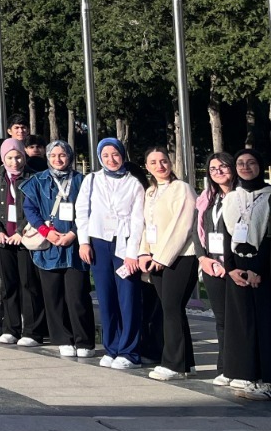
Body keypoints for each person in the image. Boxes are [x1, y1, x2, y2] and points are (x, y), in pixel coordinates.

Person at [75, 138, 146, 370]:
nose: (111, 159)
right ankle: (111, 347)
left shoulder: (134, 183)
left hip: (124, 243)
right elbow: (82, 211)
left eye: (115, 154)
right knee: (105, 298)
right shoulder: (91, 180)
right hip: (99, 242)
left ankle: (129, 351)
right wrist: (84, 242)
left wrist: (132, 253)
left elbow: (138, 221)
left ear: (122, 155)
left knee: (128, 298)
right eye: (105, 155)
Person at [21, 140, 96, 359]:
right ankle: (63, 338)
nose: (58, 159)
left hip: (75, 244)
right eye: (53, 155)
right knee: (53, 296)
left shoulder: (82, 180)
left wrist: (74, 233)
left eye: (62, 155)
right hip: (49, 245)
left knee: (77, 295)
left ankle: (84, 340)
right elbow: (30, 209)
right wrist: (46, 232)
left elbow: (91, 210)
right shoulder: (38, 180)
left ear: (70, 156)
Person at [137, 147, 199, 381]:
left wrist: (162, 257)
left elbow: (183, 226)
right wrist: (144, 253)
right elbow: (146, 226)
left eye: (163, 161)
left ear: (170, 162)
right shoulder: (151, 191)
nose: (159, 166)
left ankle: (174, 364)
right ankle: (185, 362)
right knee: (170, 309)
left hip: (180, 257)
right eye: (153, 162)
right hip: (155, 259)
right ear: (147, 166)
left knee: (172, 308)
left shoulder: (182, 188)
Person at [0, 138, 47, 347]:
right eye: (9, 157)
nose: (14, 161)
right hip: (1, 241)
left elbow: (37, 208)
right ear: (3, 158)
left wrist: (21, 231)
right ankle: (10, 328)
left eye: (18, 157)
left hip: (25, 239)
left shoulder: (33, 177)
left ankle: (32, 331)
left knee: (29, 284)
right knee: (8, 286)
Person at [218, 150, 271, 397]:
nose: (245, 167)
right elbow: (225, 234)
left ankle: (268, 380)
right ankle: (249, 376)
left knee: (265, 325)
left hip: (264, 268)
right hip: (238, 269)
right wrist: (231, 269)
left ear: (260, 166)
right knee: (243, 325)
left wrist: (258, 270)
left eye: (251, 162)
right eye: (240, 163)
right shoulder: (231, 198)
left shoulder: (268, 195)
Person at [196, 152, 237, 366]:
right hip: (211, 265)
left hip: (236, 267)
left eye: (223, 167)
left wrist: (228, 265)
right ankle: (224, 366)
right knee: (221, 320)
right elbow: (196, 231)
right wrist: (202, 258)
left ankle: (241, 367)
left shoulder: (241, 196)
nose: (218, 171)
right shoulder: (208, 198)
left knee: (238, 320)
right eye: (213, 169)